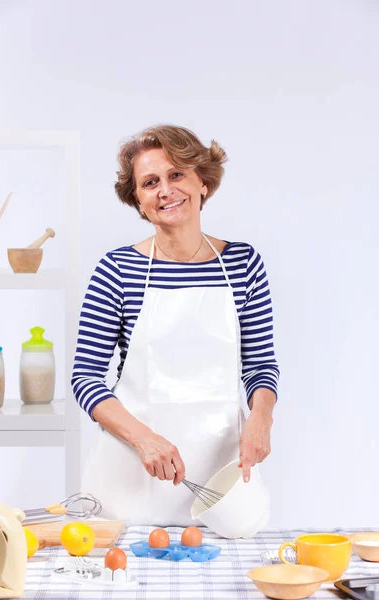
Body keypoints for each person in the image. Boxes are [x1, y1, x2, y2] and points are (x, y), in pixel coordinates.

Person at [71, 124, 280, 526]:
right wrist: (144, 440)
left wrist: (261, 419)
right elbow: (86, 379)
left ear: (203, 182)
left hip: (223, 477)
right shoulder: (117, 270)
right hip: (131, 472)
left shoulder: (243, 265)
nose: (165, 190)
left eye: (177, 174)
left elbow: (259, 367)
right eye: (150, 182)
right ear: (139, 201)